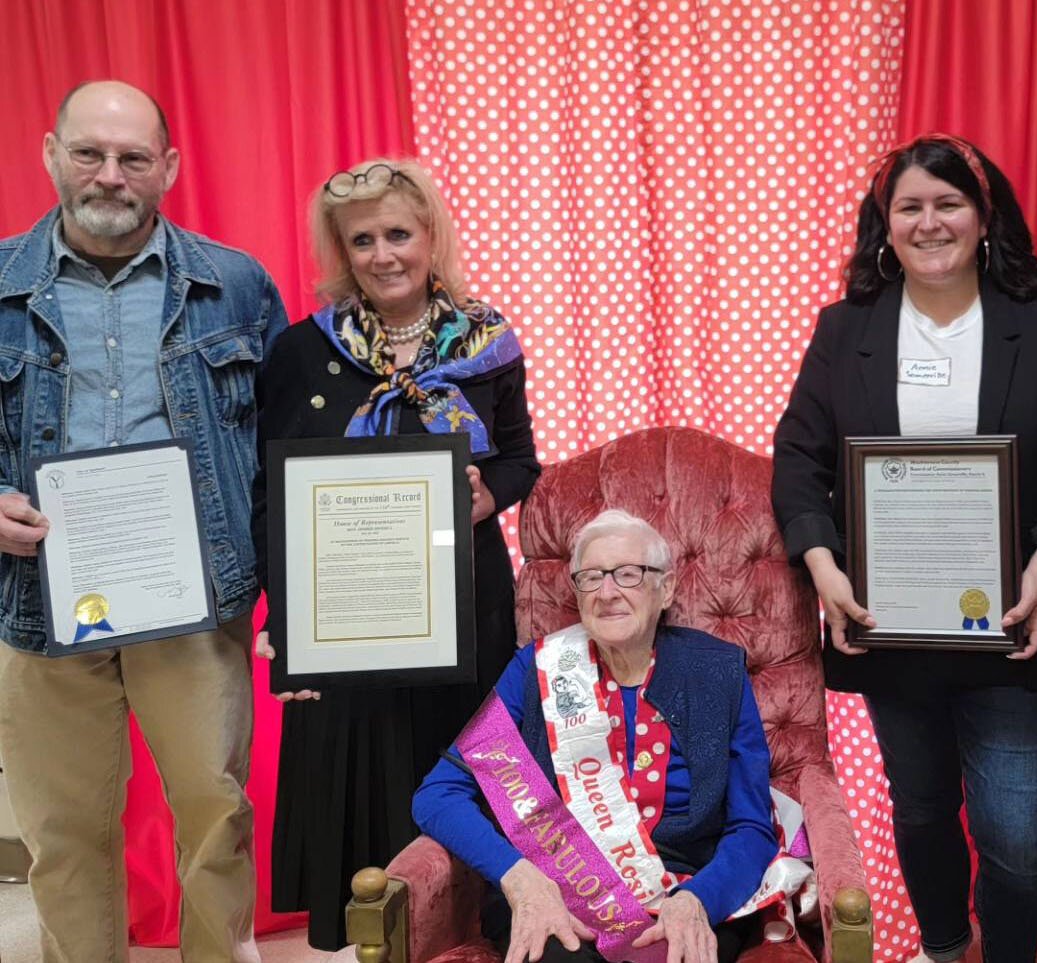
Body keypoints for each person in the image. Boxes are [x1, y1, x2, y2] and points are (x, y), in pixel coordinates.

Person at [771, 134, 1037, 963]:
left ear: (986, 218)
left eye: (949, 203)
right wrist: (824, 567)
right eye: (909, 206)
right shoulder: (846, 329)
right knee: (919, 810)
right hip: (892, 620)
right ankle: (947, 950)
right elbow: (798, 458)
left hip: (1013, 616)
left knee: (1014, 830)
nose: (930, 221)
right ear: (885, 223)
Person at [0, 80, 288, 963]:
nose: (109, 176)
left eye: (132, 158)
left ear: (166, 167)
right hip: (38, 601)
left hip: (198, 602)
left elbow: (287, 445)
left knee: (214, 812)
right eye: (89, 152)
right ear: (52, 155)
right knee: (65, 828)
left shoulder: (235, 284)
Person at [251, 158, 540, 949]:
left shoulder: (490, 340)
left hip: (463, 608)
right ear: (342, 253)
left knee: (457, 782)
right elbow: (272, 494)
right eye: (363, 240)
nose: (384, 254)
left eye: (398, 234)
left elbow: (521, 459)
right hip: (346, 619)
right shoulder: (302, 352)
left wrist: (492, 494)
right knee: (363, 810)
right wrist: (286, 627)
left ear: (430, 236)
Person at [413, 509, 780, 963]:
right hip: (556, 889)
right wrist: (520, 878)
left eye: (628, 574)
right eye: (590, 577)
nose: (607, 593)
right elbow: (437, 796)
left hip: (681, 890)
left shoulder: (719, 673)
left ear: (665, 589)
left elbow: (752, 828)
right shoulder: (536, 670)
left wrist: (699, 900)